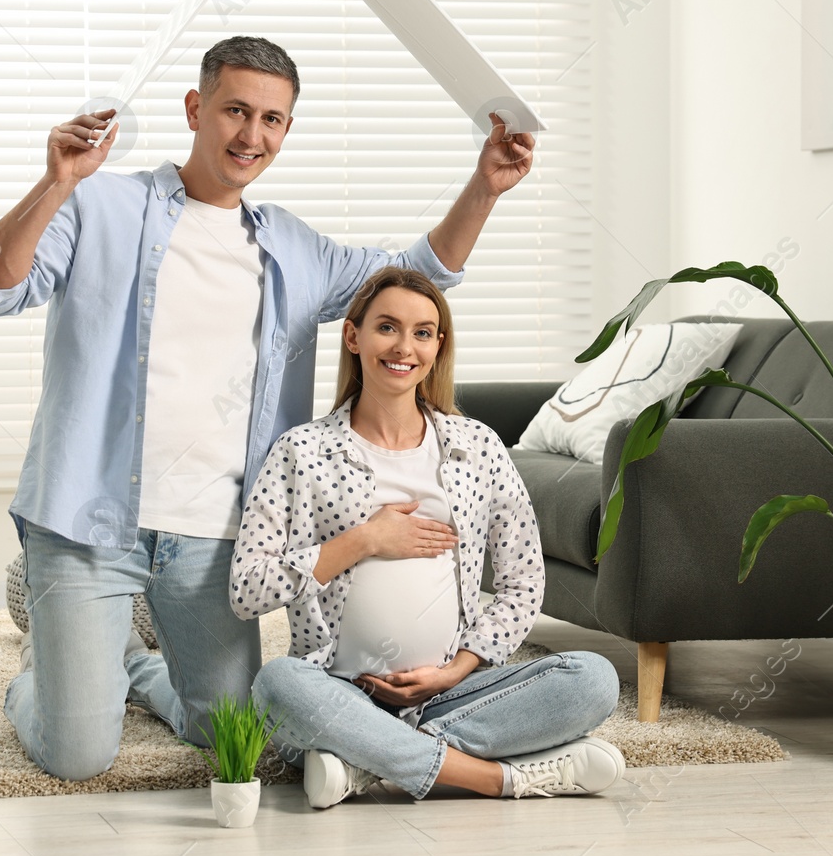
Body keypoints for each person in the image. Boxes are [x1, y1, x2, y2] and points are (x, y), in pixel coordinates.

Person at [0, 36, 535, 781]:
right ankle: (46, 672)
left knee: (232, 737)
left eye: (272, 120)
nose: (251, 135)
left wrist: (485, 188)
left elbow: (418, 276)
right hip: (90, 522)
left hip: (212, 540)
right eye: (236, 111)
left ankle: (127, 671)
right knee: (79, 755)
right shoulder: (99, 203)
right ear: (198, 109)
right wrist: (55, 182)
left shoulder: (293, 248)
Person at [233, 266, 623, 806]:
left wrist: (455, 671)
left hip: (450, 695)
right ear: (354, 336)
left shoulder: (478, 446)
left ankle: (367, 762)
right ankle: (494, 777)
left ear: (438, 346)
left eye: (422, 332)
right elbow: (247, 590)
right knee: (276, 686)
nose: (403, 347)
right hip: (337, 687)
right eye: (386, 327)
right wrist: (365, 540)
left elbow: (523, 581)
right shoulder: (301, 452)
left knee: (594, 678)